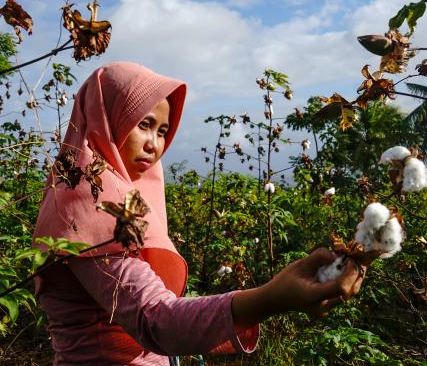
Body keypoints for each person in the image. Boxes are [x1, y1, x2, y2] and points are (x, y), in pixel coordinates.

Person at [32, 62, 362, 365]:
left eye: (162, 131)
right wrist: (273, 298)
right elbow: (156, 320)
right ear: (106, 121)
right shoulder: (84, 212)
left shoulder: (109, 197)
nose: (154, 144)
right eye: (143, 125)